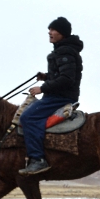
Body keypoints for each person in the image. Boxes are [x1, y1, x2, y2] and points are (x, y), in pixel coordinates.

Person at [19, 17, 84, 175]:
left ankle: (38, 159)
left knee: (27, 118)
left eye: (53, 30)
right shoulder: (64, 49)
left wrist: (42, 88)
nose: (50, 32)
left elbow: (67, 79)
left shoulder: (65, 51)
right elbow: (63, 74)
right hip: (59, 95)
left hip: (59, 97)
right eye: (49, 29)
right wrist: (47, 76)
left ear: (62, 33)